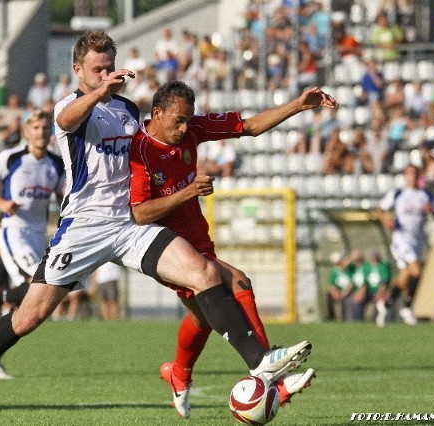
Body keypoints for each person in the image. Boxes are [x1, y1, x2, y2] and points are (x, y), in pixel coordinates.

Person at [0, 30, 315, 422]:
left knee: (204, 271)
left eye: (110, 67)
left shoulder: (129, 111)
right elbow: (66, 120)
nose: (106, 74)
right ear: (77, 68)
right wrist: (98, 93)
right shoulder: (71, 106)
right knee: (29, 317)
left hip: (130, 223)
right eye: (98, 69)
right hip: (84, 227)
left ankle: (261, 361)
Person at [128, 80, 335, 416]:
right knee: (238, 282)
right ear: (157, 113)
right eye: (178, 120)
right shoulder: (139, 151)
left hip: (197, 239)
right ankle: (273, 378)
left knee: (203, 316)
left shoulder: (192, 129)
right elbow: (139, 213)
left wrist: (299, 105)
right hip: (165, 248)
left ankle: (178, 374)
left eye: (188, 120)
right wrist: (187, 193)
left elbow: (250, 127)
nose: (185, 127)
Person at [0, 109, 65, 331]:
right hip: (14, 230)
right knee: (38, 284)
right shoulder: (11, 158)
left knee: (36, 294)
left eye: (46, 128)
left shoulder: (56, 163)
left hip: (38, 234)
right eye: (35, 128)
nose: (41, 133)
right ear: (26, 131)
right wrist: (0, 203)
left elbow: (64, 196)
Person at [376, 164, 434, 325]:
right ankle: (406, 306)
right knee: (417, 270)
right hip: (401, 240)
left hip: (417, 241)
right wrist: (386, 221)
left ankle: (386, 303)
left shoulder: (425, 195)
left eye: (414, 173)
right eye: (408, 173)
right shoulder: (398, 194)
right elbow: (379, 210)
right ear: (405, 176)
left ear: (418, 176)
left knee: (404, 279)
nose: (411, 176)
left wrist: (431, 210)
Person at [365, 251, 392, 327]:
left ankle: (381, 318)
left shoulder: (383, 266)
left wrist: (380, 292)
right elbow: (364, 282)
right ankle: (355, 320)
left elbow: (384, 281)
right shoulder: (366, 267)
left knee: (382, 302)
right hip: (369, 291)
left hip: (380, 291)